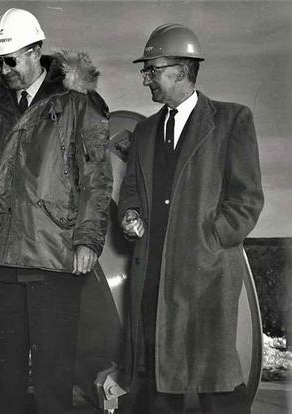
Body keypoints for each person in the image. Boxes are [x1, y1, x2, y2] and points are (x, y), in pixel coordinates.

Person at [0, 8, 113, 414]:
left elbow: (96, 179)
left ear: (36, 51)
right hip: (6, 254)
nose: (5, 70)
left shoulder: (79, 104)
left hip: (54, 254)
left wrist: (87, 241)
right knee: (3, 374)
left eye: (12, 60)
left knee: (52, 374)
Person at [118, 23, 264, 414]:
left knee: (215, 381)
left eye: (152, 69)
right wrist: (130, 214)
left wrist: (211, 240)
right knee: (158, 382)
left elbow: (247, 199)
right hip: (154, 276)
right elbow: (131, 189)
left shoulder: (232, 120)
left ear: (180, 71)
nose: (145, 78)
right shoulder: (146, 131)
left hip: (207, 276)